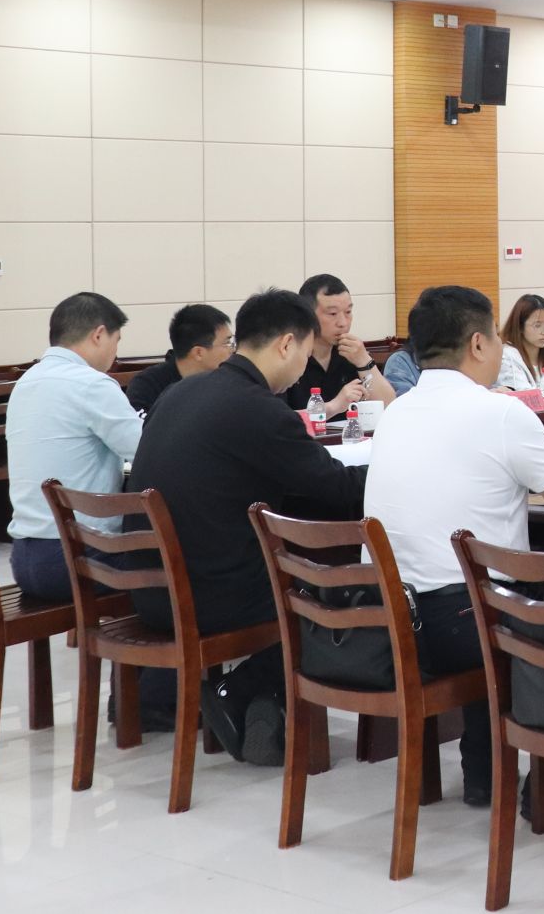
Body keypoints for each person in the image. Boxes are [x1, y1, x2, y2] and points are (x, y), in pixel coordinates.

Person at [364, 286, 544, 818]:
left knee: (495, 589)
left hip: (389, 618)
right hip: (464, 625)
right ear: (479, 344)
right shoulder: (500, 413)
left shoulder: (395, 410)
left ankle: (483, 773)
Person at [126, 289, 369, 765]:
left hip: (149, 588)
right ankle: (242, 689)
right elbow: (338, 489)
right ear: (286, 344)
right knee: (337, 590)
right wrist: (394, 468)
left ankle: (253, 696)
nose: (303, 366)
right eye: (304, 353)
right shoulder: (257, 408)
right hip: (206, 597)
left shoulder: (183, 391)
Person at [5, 292, 143, 603]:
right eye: (116, 341)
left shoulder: (25, 383)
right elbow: (148, 452)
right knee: (180, 562)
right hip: (76, 558)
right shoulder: (91, 384)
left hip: (24, 559)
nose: (116, 354)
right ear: (99, 335)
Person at [283, 273, 397, 412]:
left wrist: (364, 362)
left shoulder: (351, 354)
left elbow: (389, 407)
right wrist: (335, 406)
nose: (343, 323)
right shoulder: (288, 357)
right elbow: (277, 418)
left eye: (348, 312)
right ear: (308, 315)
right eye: (332, 314)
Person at [125, 304, 234, 418]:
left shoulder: (228, 382)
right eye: (226, 343)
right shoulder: (148, 384)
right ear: (198, 353)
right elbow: (140, 425)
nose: (232, 350)